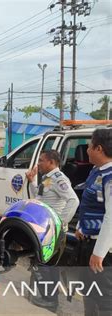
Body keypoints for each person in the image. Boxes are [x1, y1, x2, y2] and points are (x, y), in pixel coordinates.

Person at [25, 150, 79, 311]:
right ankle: (41, 296)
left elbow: (73, 200)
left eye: (41, 160)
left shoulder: (59, 179)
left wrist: (60, 222)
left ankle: (50, 301)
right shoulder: (48, 179)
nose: (38, 164)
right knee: (41, 262)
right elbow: (40, 198)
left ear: (51, 162)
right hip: (44, 229)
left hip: (53, 231)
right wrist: (32, 181)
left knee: (48, 265)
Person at [75, 128, 112, 316]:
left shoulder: (110, 176)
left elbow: (111, 217)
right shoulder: (96, 171)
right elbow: (89, 203)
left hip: (103, 251)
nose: (87, 149)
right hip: (88, 242)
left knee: (105, 300)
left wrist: (99, 253)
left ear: (99, 148)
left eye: (89, 146)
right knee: (89, 291)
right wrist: (82, 227)